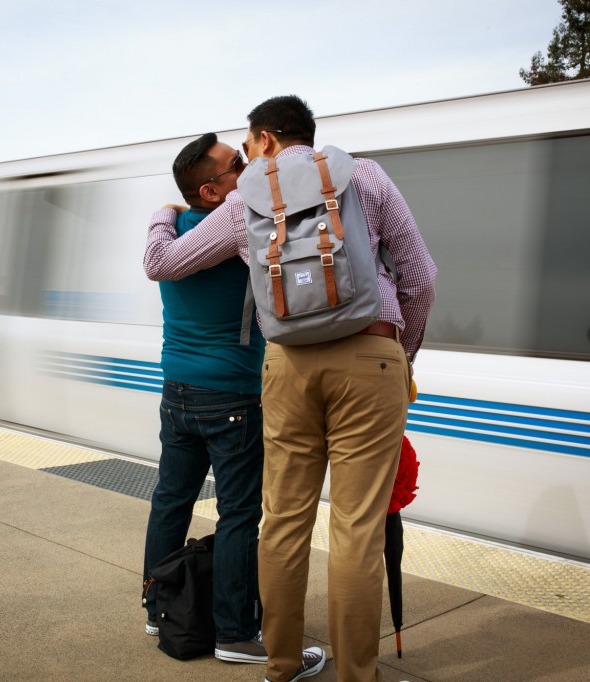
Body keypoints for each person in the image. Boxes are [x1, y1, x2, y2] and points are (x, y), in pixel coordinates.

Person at [144, 96, 437, 682]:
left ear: (267, 139)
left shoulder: (246, 198)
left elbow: (166, 262)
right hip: (370, 355)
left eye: (249, 147)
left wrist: (161, 214)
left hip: (287, 367)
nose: (250, 159)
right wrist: (397, 355)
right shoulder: (367, 176)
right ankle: (358, 673)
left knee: (282, 519)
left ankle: (280, 664)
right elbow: (420, 275)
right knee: (356, 526)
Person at [141, 133, 269, 664]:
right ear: (213, 192)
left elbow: (156, 254)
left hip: (177, 391)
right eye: (237, 163)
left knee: (172, 499)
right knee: (238, 514)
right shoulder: (241, 218)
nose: (248, 167)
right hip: (232, 393)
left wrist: (161, 210)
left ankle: (159, 609)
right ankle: (235, 632)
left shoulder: (174, 231)